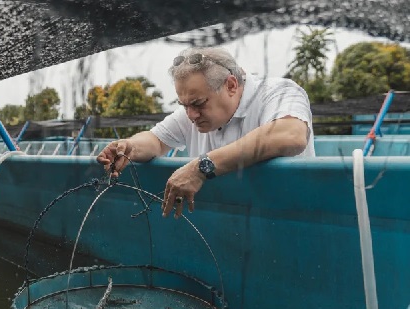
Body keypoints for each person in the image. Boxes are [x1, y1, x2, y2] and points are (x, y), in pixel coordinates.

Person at [96, 47, 315, 219]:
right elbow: (155, 140)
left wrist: (201, 167)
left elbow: (290, 135)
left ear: (231, 85)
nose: (191, 114)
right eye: (184, 105)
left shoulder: (279, 92)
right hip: (233, 222)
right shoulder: (191, 113)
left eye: (198, 103)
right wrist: (129, 146)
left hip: (292, 219)